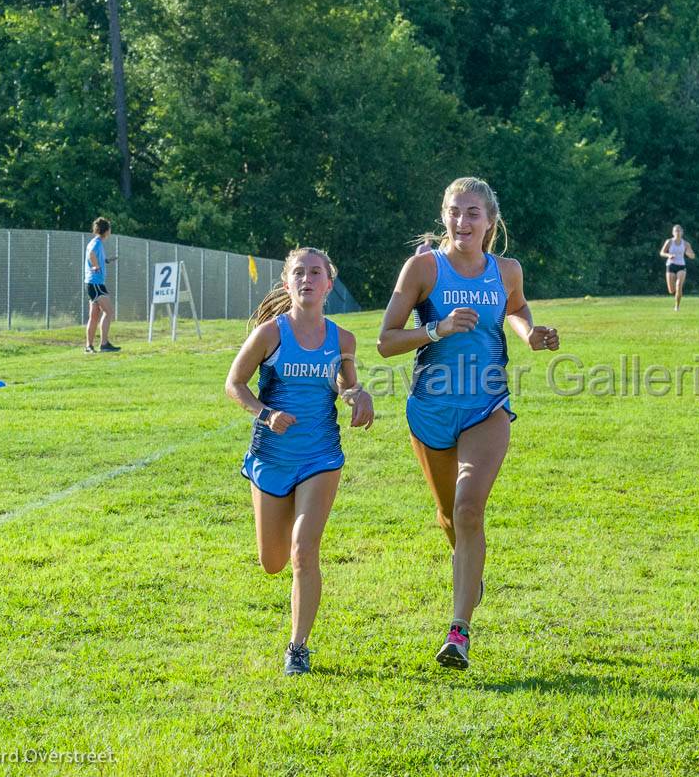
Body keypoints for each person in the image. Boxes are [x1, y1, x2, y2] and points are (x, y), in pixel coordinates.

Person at [377, 177, 559, 670]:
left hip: (487, 407)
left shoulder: (507, 270)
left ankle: (458, 633)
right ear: (444, 217)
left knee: (468, 509)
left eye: (473, 213)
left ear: (490, 222)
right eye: (455, 212)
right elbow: (386, 340)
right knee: (449, 518)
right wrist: (435, 328)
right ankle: (468, 568)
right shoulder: (423, 269)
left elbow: (516, 308)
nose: (463, 222)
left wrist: (530, 333)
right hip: (430, 411)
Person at [225, 247, 375, 676]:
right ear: (287, 283)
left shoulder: (342, 338)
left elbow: (347, 386)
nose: (307, 279)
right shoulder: (271, 334)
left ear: (329, 284)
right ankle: (282, 518)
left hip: (320, 456)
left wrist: (358, 397)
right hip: (271, 456)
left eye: (316, 273)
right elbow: (234, 383)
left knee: (303, 551)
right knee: (273, 562)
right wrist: (265, 413)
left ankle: (298, 648)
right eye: (298, 273)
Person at [84, 217, 120, 353]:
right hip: (96, 283)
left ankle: (89, 346)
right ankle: (104, 344)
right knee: (109, 312)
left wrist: (105, 261)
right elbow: (91, 254)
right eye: (110, 229)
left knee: (94, 316)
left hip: (91, 283)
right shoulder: (97, 243)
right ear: (106, 231)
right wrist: (96, 266)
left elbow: (94, 255)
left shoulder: (95, 242)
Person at [661, 225, 696, 310]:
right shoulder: (669, 242)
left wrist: (689, 254)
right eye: (676, 231)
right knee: (671, 290)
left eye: (679, 231)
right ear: (673, 233)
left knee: (679, 285)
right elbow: (662, 252)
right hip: (671, 265)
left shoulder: (686, 244)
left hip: (681, 266)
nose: (678, 233)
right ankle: (675, 295)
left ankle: (677, 306)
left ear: (682, 233)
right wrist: (669, 255)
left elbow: (693, 256)